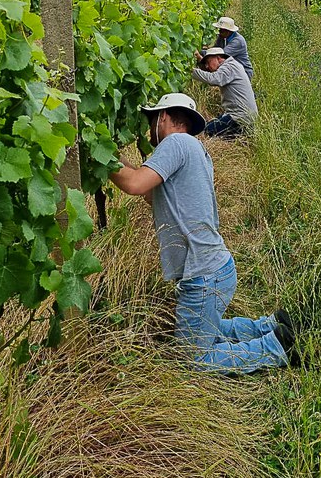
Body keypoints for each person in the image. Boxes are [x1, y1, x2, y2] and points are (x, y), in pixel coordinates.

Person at [108, 92, 298, 374]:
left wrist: (99, 156)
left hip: (204, 274)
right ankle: (268, 325)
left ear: (165, 117)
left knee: (193, 357)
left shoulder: (176, 142)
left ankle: (274, 348)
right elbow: (149, 193)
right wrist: (116, 157)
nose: (148, 128)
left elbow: (135, 184)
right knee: (206, 326)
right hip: (213, 268)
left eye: (151, 119)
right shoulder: (193, 150)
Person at [192, 47, 258, 138]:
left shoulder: (229, 67)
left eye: (208, 62)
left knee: (207, 131)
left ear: (218, 58)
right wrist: (199, 58)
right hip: (242, 115)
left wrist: (190, 71)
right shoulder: (231, 65)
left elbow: (214, 79)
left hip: (240, 118)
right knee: (208, 125)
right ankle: (238, 135)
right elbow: (208, 73)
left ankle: (239, 135)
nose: (207, 66)